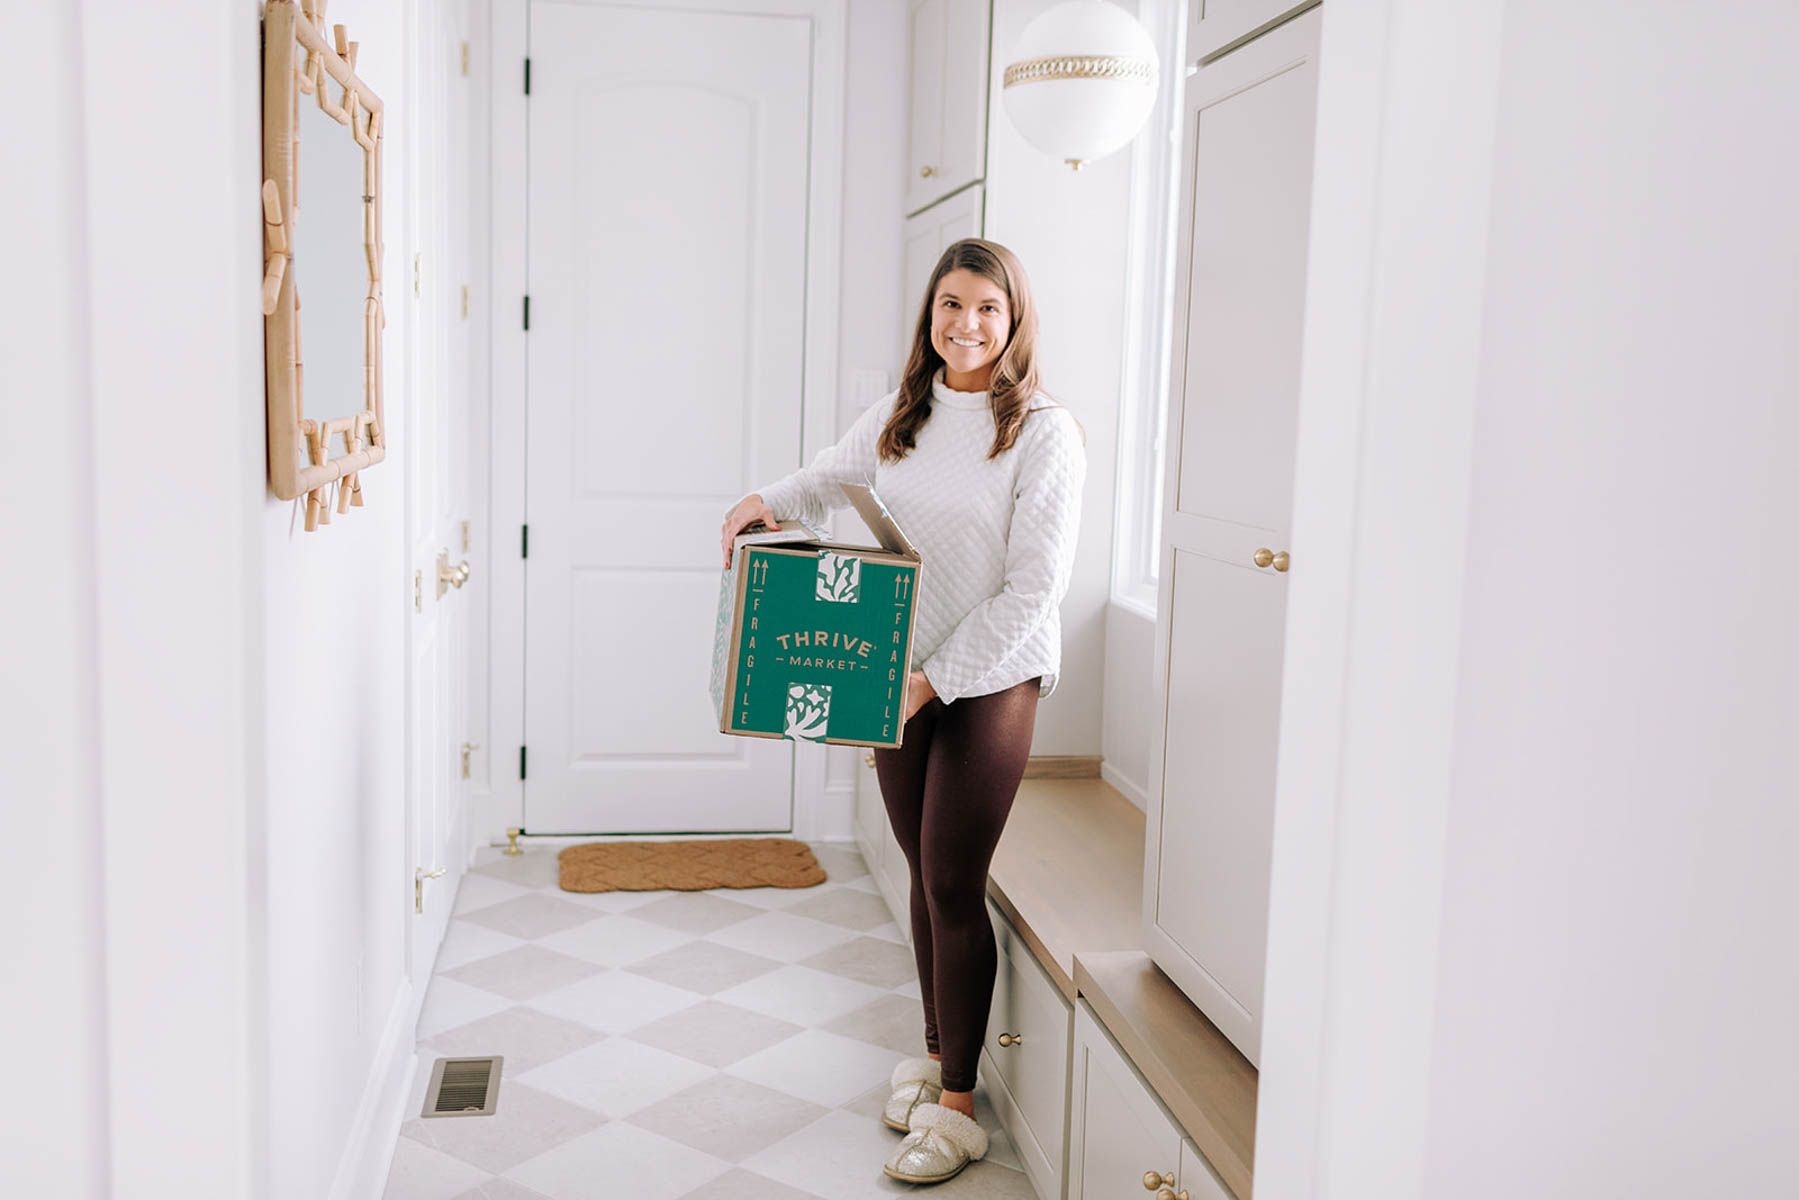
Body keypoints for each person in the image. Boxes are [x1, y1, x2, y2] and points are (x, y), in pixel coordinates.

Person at [719, 238, 1086, 1185]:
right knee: (921, 874)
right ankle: (933, 1056)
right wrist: (756, 501)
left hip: (992, 674)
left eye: (988, 310)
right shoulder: (900, 414)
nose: (967, 325)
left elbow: (1033, 592)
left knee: (955, 882)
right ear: (930, 314)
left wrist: (934, 680)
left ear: (1015, 321)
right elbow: (824, 478)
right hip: (900, 672)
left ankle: (960, 1108)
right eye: (951, 305)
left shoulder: (1044, 432)